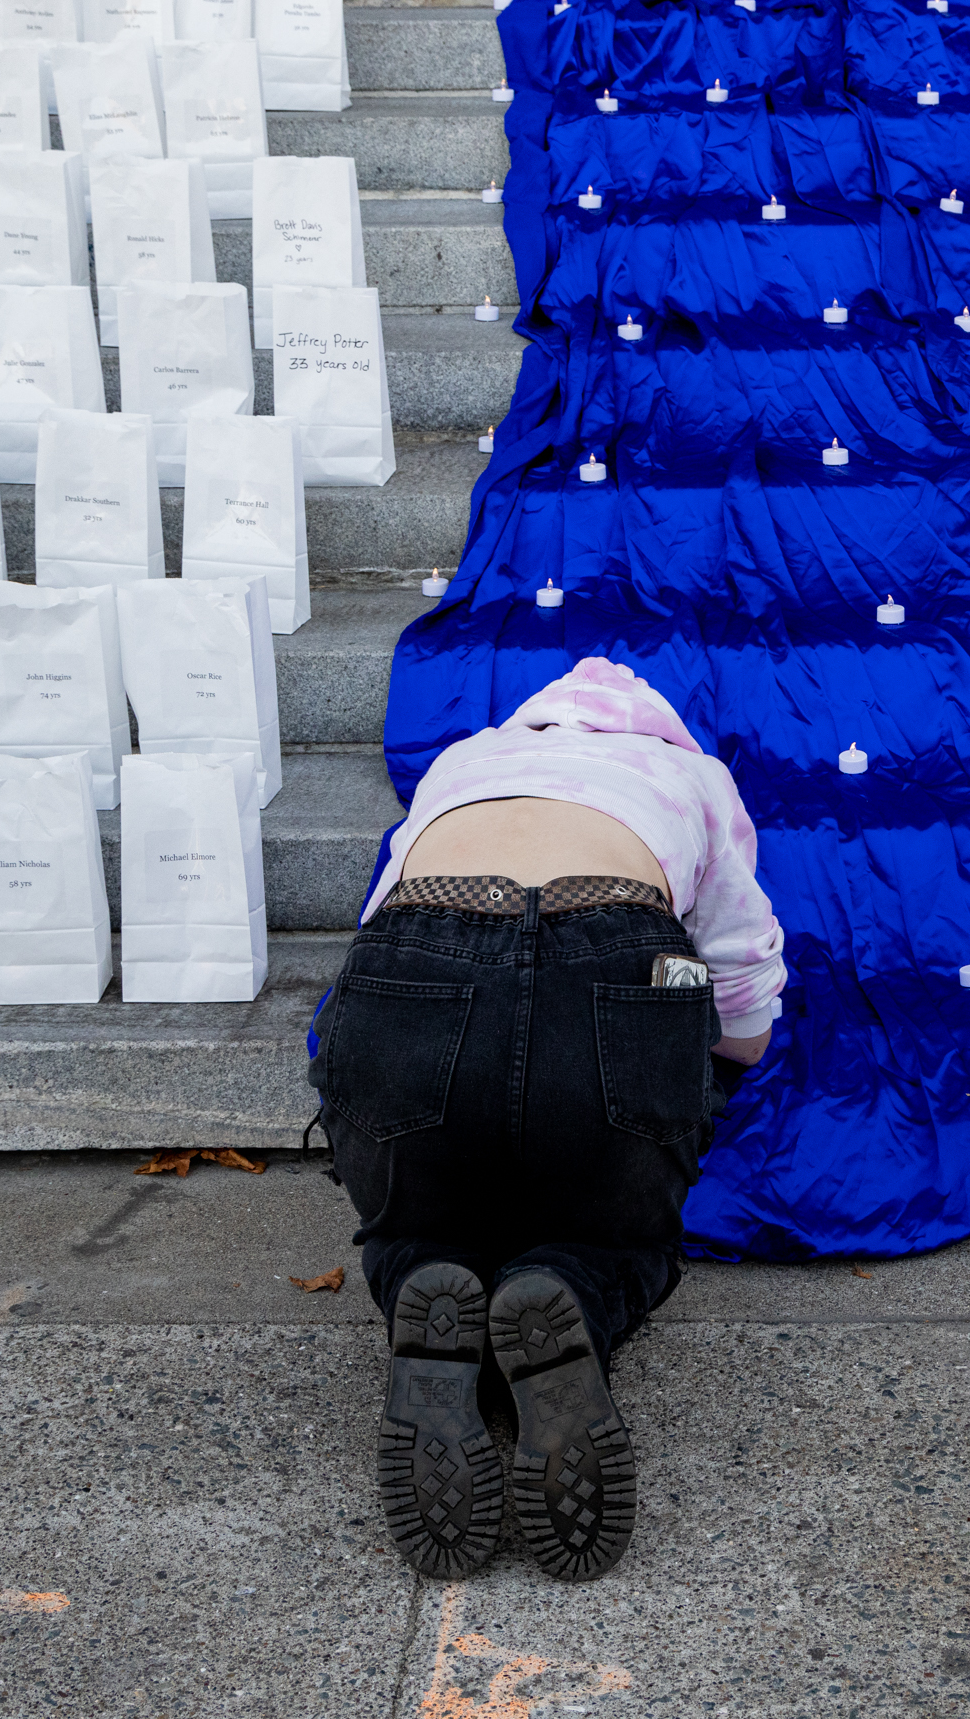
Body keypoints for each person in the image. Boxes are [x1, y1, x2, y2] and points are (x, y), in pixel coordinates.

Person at [309, 657, 786, 1582]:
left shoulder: (463, 763)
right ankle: (576, 1278)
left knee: (416, 1200)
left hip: (413, 967)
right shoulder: (692, 778)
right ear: (656, 731)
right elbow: (747, 1026)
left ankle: (426, 1268)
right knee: (623, 1208)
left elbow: (379, 935)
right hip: (618, 962)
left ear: (529, 727)